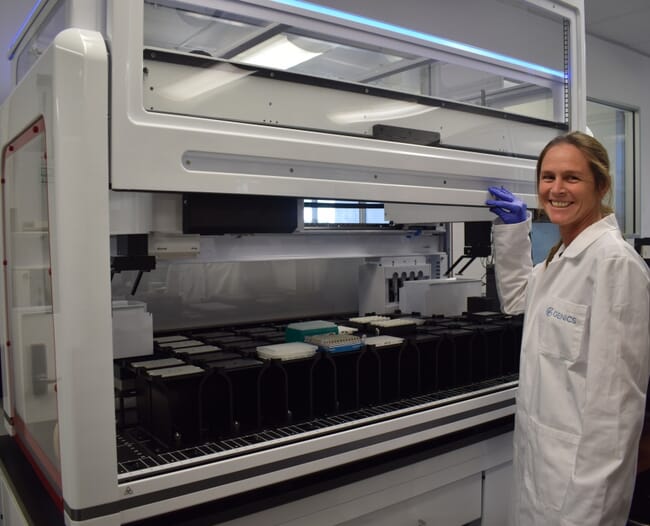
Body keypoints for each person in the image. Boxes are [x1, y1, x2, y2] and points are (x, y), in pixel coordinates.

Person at [486, 131, 650, 525]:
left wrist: (590, 512)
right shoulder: (561, 257)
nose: (557, 189)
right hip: (540, 466)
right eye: (548, 177)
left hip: (581, 490)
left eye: (572, 178)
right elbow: (517, 298)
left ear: (601, 185)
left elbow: (616, 411)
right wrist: (513, 229)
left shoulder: (613, 264)